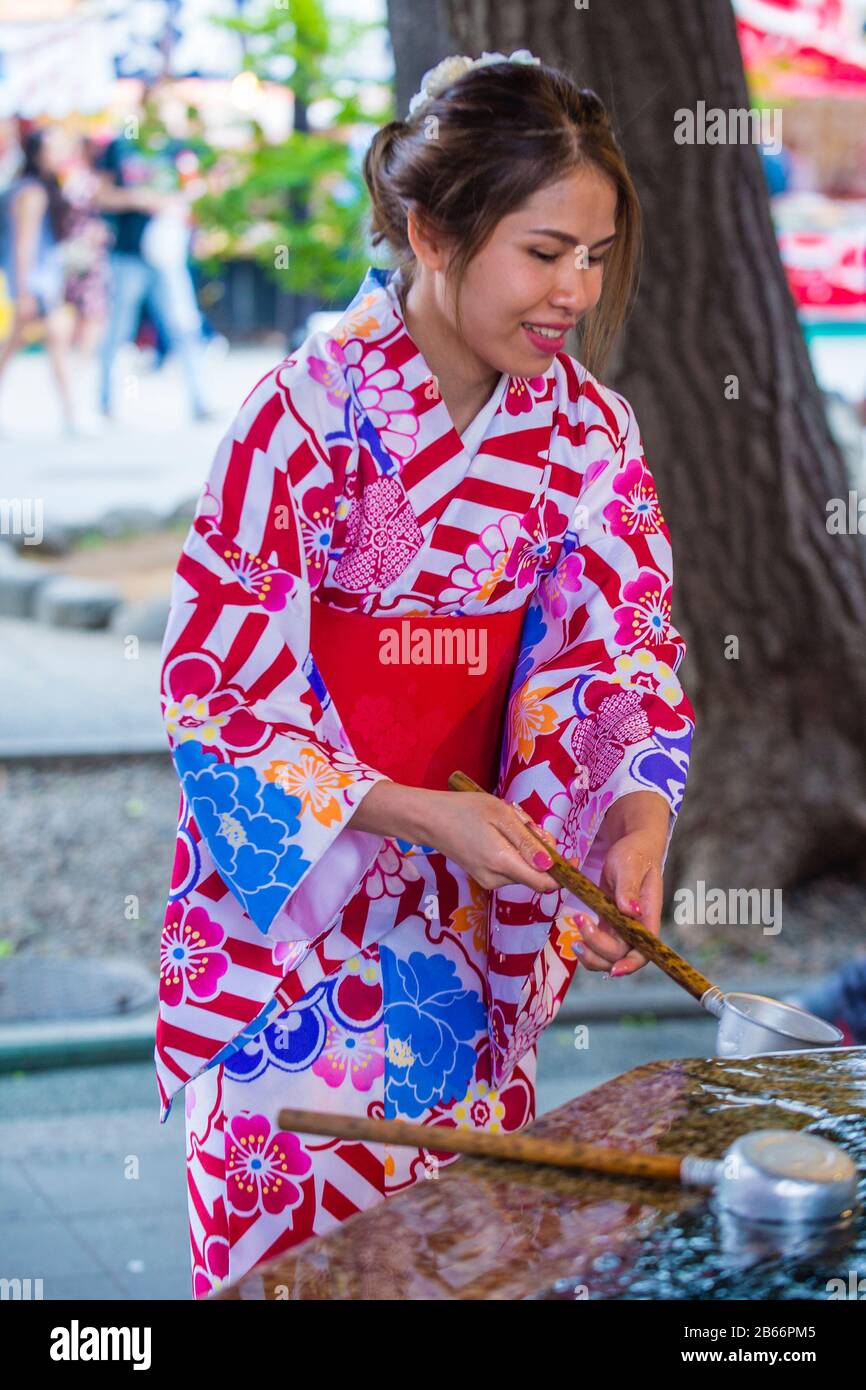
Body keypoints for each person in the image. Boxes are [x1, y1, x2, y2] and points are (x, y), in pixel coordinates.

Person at [155, 50, 696, 1299]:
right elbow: (216, 688)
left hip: (468, 924)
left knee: (465, 1261)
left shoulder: (587, 433)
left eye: (595, 255)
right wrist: (403, 806)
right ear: (429, 230)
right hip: (292, 937)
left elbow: (621, 648)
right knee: (293, 1268)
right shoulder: (296, 416)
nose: (574, 290)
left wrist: (633, 814)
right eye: (542, 249)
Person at [92, 127, 214, 421]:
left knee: (183, 324)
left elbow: (196, 192)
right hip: (129, 253)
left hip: (167, 253)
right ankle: (106, 400)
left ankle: (199, 400)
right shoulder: (122, 145)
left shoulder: (179, 147)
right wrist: (140, 198)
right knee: (119, 327)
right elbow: (102, 195)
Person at [0, 125, 83, 434]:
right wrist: (23, 291)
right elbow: (24, 243)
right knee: (53, 340)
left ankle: (72, 413)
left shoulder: (37, 186)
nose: (61, 154)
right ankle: (72, 414)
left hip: (38, 279)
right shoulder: (31, 192)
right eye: (54, 148)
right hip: (35, 280)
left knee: (19, 342)